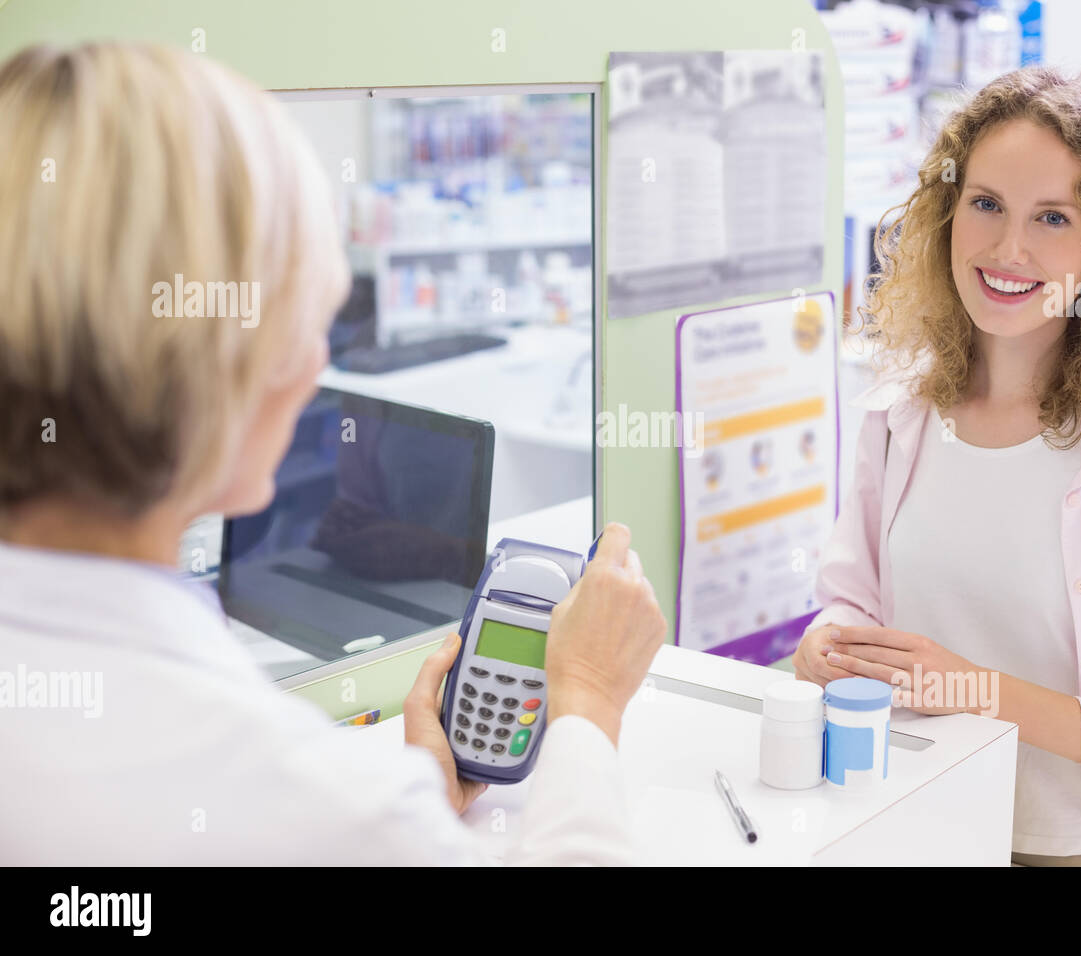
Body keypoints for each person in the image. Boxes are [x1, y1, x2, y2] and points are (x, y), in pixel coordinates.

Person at [0, 42, 665, 864]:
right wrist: (589, 705)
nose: (317, 366)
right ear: (220, 370)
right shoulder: (303, 800)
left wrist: (406, 801)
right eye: (306, 321)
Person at [793, 67, 1081, 867]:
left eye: (1052, 217)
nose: (1009, 249)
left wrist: (976, 690)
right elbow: (852, 598)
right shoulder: (898, 416)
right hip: (909, 831)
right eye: (986, 204)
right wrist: (827, 643)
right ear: (945, 214)